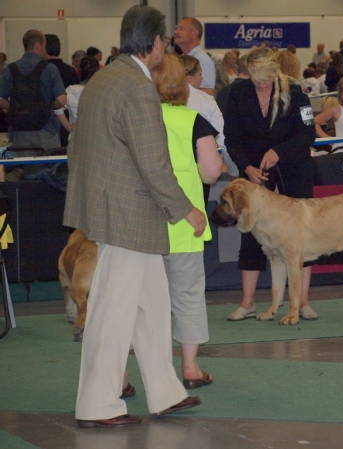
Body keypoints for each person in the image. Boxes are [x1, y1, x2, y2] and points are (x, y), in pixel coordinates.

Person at [64, 5, 203, 428]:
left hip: (115, 210)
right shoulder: (138, 89)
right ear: (157, 43)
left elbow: (78, 150)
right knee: (113, 310)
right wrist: (186, 210)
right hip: (127, 214)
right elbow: (153, 162)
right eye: (167, 39)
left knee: (153, 307)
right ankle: (98, 404)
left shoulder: (103, 79)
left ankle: (164, 390)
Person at [223, 46, 317, 321]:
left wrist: (280, 152)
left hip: (293, 167)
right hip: (253, 171)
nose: (260, 82)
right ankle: (247, 302)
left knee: (301, 235)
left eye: (264, 77)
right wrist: (247, 167)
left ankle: (303, 302)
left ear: (276, 71)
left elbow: (307, 133)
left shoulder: (297, 93)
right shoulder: (238, 94)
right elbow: (232, 137)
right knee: (250, 229)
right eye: (254, 77)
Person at [151, 53, 222, 389]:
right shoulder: (195, 120)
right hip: (185, 226)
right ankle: (190, 368)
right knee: (188, 296)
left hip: (143, 227)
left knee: (139, 302)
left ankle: (122, 373)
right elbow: (211, 173)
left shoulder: (139, 119)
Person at [0, 29, 66, 150]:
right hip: (46, 132)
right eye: (44, 46)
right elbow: (61, 100)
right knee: (47, 167)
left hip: (19, 132)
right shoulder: (50, 68)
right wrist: (48, 107)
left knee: (23, 166)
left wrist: (15, 107)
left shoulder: (10, 69)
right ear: (37, 45)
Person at [180, 54, 238, 178]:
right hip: (201, 166)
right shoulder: (206, 100)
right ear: (189, 77)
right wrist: (233, 170)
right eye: (200, 74)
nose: (202, 78)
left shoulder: (161, 99)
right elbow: (223, 138)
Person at [55, 55, 99, 133]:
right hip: (96, 134)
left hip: (76, 134)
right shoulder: (101, 91)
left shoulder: (72, 90)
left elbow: (58, 108)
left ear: (80, 71)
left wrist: (68, 127)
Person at [174, 17, 216, 96]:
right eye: (176, 28)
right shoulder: (182, 59)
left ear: (194, 33)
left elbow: (207, 93)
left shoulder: (202, 60)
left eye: (181, 29)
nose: (176, 32)